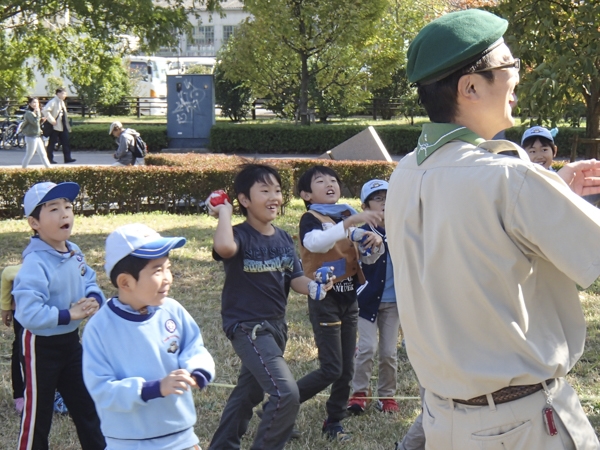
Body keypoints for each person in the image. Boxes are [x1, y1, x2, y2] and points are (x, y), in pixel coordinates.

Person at [385, 8, 600, 449]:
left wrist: (551, 193)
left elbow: (472, 236)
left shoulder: (406, 173)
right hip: (521, 424)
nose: (517, 73)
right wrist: (544, 193)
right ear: (469, 87)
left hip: (444, 418)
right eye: (509, 65)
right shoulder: (509, 180)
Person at [207, 163, 333, 450]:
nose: (274, 197)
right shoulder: (238, 235)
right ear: (244, 199)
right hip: (249, 329)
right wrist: (223, 213)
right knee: (286, 393)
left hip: (277, 327)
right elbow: (225, 249)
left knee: (247, 394)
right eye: (264, 191)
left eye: (277, 190)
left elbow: (296, 278)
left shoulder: (283, 238)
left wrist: (314, 287)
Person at [82, 223, 215, 450]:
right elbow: (102, 389)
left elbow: (194, 347)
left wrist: (197, 370)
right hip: (128, 443)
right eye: (157, 270)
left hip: (181, 438)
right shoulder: (99, 329)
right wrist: (152, 388)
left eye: (168, 267)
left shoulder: (173, 311)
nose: (167, 278)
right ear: (125, 282)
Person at [12, 181, 105, 450]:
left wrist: (94, 298)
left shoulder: (73, 251)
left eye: (68, 206)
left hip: (70, 343)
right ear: (34, 223)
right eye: (53, 209)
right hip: (40, 347)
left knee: (87, 407)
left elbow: (88, 278)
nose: (64, 213)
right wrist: (68, 314)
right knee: (38, 416)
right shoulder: (35, 263)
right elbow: (28, 313)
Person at [295, 165, 384, 441]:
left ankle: (334, 422)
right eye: (321, 181)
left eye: (333, 180)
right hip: (325, 301)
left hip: (349, 299)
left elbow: (359, 258)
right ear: (307, 194)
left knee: (346, 369)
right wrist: (347, 225)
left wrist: (374, 245)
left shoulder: (345, 214)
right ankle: (280, 403)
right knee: (332, 367)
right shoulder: (310, 218)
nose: (330, 184)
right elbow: (316, 244)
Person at [346, 179, 401, 415]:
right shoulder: (363, 232)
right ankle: (359, 393)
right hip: (366, 301)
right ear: (366, 206)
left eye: (388, 198)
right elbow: (345, 232)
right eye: (378, 199)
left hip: (394, 303)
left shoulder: (403, 228)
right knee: (367, 348)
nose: (384, 203)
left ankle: (386, 396)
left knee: (389, 352)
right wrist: (365, 234)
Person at [1, 264, 25, 414]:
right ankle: (20, 395)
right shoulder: (17, 271)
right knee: (20, 349)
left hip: (48, 316)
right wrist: (5, 307)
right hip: (21, 314)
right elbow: (7, 274)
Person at [41, 88, 75, 164]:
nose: (65, 95)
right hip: (55, 126)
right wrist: (51, 120)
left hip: (62, 126)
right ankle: (49, 159)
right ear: (58, 94)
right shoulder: (53, 101)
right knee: (52, 143)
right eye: (63, 93)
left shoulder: (61, 102)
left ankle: (67, 158)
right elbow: (45, 110)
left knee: (65, 142)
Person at [21, 97, 51, 169]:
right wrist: (38, 113)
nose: (36, 104)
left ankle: (49, 169)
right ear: (30, 104)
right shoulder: (28, 113)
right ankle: (23, 169)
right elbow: (34, 122)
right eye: (34, 102)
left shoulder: (36, 113)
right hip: (31, 137)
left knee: (43, 154)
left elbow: (36, 124)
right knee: (29, 154)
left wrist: (41, 121)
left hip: (37, 136)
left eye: (37, 102)